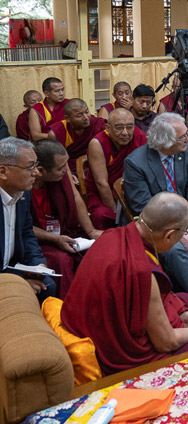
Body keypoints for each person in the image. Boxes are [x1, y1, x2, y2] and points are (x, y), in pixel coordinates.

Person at [61, 193, 188, 376]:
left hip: (98, 326)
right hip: (123, 356)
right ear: (169, 236)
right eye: (185, 231)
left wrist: (180, 312)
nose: (187, 234)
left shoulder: (114, 235)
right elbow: (167, 343)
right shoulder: (141, 271)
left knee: (187, 301)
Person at [123, 113, 188, 292]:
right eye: (182, 137)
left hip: (186, 216)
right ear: (165, 142)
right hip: (157, 225)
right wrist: (182, 236)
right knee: (174, 250)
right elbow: (144, 208)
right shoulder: (136, 163)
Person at [31, 140, 102, 299]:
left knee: (97, 250)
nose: (67, 171)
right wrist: (55, 239)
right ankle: (66, 306)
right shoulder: (23, 185)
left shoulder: (60, 175)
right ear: (40, 171)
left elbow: (75, 197)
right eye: (61, 168)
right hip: (38, 240)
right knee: (62, 260)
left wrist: (91, 231)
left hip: (64, 232)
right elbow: (23, 226)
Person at [0, 138, 56, 302]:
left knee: (47, 284)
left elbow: (26, 234)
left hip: (10, 267)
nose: (36, 172)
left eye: (35, 165)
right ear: (3, 171)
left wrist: (38, 264)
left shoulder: (23, 194)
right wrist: (19, 283)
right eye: (29, 167)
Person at [86, 109, 147, 230]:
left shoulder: (140, 136)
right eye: (119, 127)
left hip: (133, 193)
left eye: (130, 127)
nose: (125, 133)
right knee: (102, 216)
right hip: (104, 196)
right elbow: (101, 183)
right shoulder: (97, 143)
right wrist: (116, 212)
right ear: (108, 127)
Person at [47, 98, 107, 170]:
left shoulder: (98, 124)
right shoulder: (57, 132)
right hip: (68, 169)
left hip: (97, 165)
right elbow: (56, 161)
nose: (86, 117)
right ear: (67, 118)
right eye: (79, 115)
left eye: (87, 112)